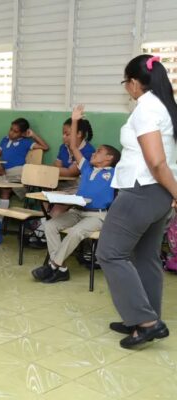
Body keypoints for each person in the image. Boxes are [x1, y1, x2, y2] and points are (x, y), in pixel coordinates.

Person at [96, 54, 177, 349]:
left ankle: (146, 322)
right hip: (158, 194)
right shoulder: (166, 107)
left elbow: (156, 162)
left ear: (133, 82)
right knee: (145, 256)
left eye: (125, 83)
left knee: (110, 253)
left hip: (141, 190)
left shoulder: (146, 109)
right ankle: (144, 317)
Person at [31, 105, 120, 283]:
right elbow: (73, 146)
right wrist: (74, 120)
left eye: (99, 152)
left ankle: (53, 265)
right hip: (77, 211)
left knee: (75, 232)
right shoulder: (86, 167)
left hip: (97, 216)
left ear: (109, 158)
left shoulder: (115, 173)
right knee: (50, 225)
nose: (94, 153)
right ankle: (61, 268)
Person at [0, 118, 49, 211]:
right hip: (5, 174)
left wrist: (33, 135)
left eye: (15, 131)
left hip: (19, 175)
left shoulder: (25, 142)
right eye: (11, 129)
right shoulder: (5, 140)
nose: (11, 133)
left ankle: (0, 217)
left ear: (23, 133)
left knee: (5, 189)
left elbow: (45, 147)